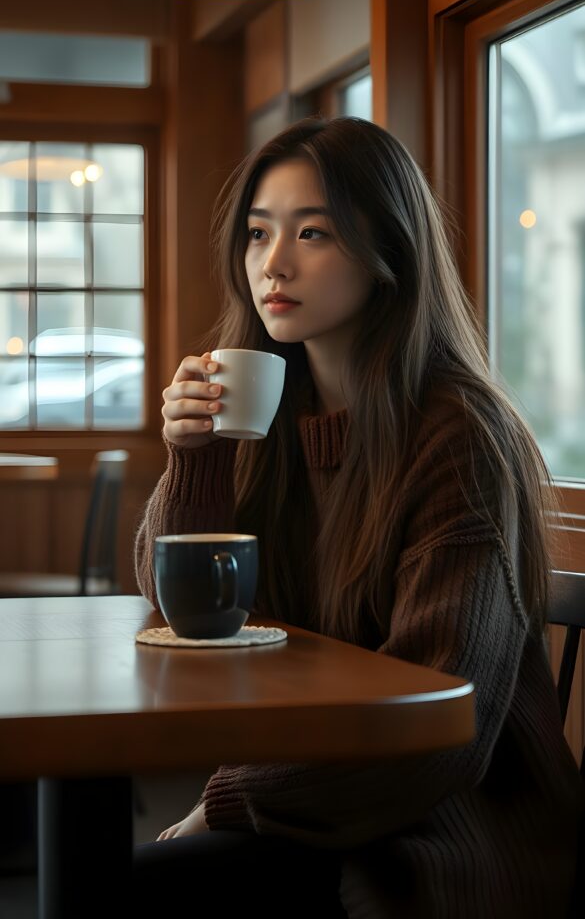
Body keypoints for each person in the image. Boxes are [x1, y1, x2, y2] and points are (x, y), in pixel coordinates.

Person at [133, 116, 583, 918]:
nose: (272, 263)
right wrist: (194, 454)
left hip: (447, 839)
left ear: (387, 253)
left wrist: (227, 802)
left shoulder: (458, 437)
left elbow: (440, 730)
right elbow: (187, 617)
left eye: (313, 232)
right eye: (257, 233)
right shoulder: (271, 414)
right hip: (315, 806)